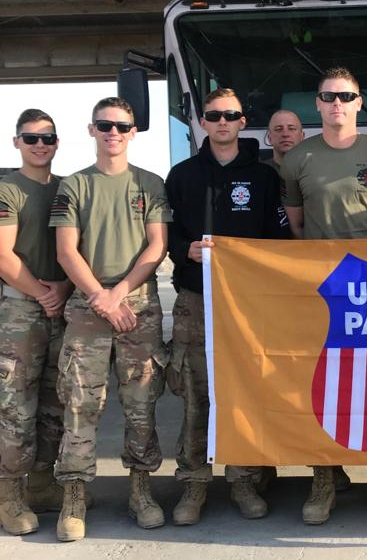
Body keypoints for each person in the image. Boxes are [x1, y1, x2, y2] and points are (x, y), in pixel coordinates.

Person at [281, 67, 367, 524]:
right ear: (316, 103)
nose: (337, 103)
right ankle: (323, 480)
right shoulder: (297, 160)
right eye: (328, 96)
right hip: (322, 289)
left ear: (358, 102)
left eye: (346, 96)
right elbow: (296, 225)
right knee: (323, 386)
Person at [165, 88, 290, 526]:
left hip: (247, 304)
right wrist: (186, 251)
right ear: (202, 121)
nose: (222, 122)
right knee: (196, 396)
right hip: (196, 299)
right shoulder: (181, 175)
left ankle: (243, 480)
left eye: (230, 115)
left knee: (244, 393)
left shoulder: (264, 177)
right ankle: (194, 485)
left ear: (242, 122)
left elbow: (279, 241)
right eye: (214, 115)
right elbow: (168, 235)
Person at [49, 97, 171, 541]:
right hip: (88, 307)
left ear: (133, 132)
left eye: (121, 126)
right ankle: (74, 496)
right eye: (105, 125)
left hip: (137, 306)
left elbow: (156, 246)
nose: (113, 132)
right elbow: (67, 250)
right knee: (80, 403)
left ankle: (141, 489)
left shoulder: (150, 183)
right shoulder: (75, 186)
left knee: (142, 402)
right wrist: (101, 296)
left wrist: (120, 293)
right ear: (92, 130)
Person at [0, 109, 70, 536]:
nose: (40, 145)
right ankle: (9, 493)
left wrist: (61, 290)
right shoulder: (8, 190)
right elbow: (4, 257)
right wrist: (43, 292)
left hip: (60, 305)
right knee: (15, 405)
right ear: (17, 143)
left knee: (54, 400)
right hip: (21, 311)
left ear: (58, 143)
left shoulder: (66, 188)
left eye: (47, 138)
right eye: (31, 138)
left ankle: (43, 483)